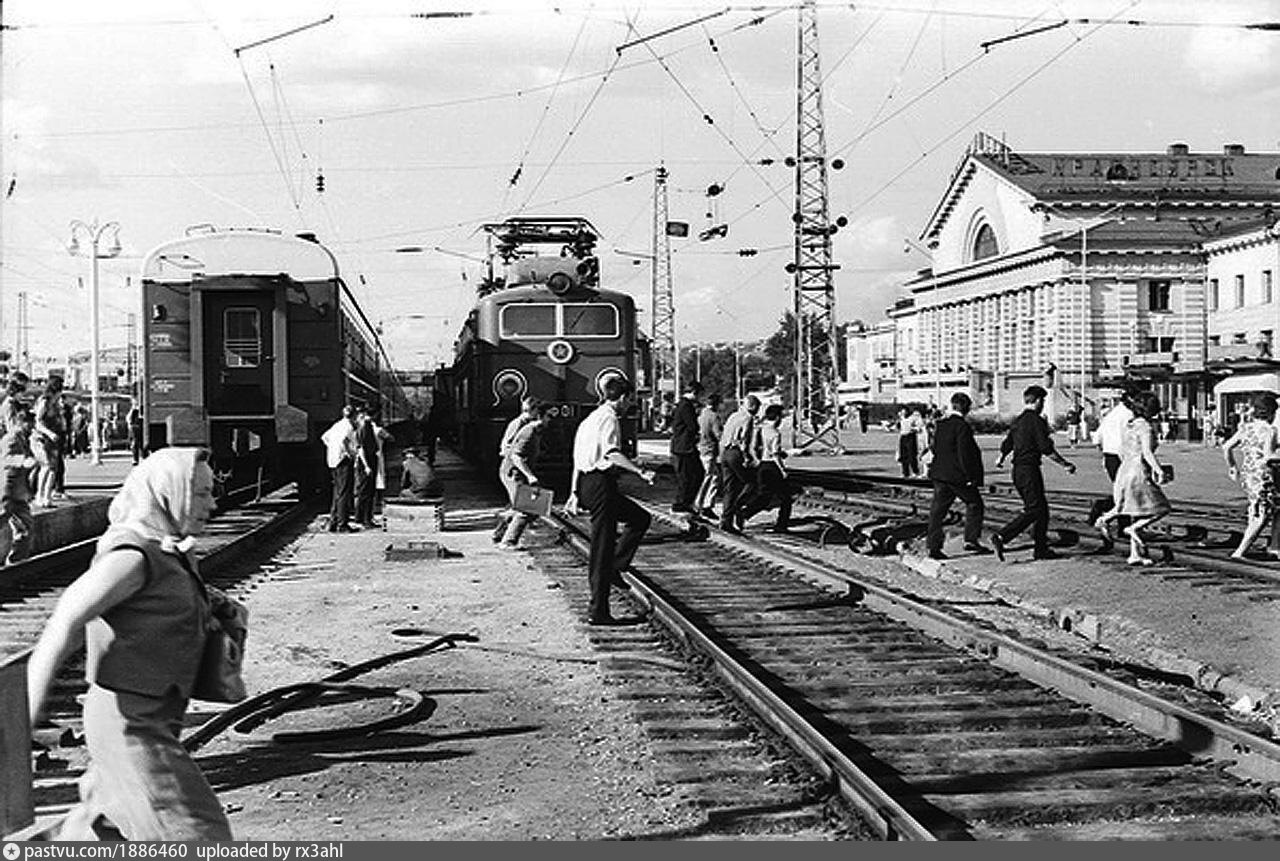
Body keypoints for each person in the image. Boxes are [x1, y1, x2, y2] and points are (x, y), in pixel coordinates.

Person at [25, 446, 232, 840]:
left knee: (98, 835)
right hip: (131, 728)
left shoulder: (168, 552)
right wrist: (24, 717)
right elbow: (65, 619)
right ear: (169, 492)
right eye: (202, 493)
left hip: (150, 719)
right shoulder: (133, 555)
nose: (213, 502)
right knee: (200, 834)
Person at [565, 376, 655, 626]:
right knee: (601, 549)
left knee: (639, 518)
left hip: (586, 483)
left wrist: (574, 493)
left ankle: (617, 566)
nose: (630, 405)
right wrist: (639, 471)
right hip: (600, 484)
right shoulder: (609, 418)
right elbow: (611, 453)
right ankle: (598, 611)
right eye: (630, 400)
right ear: (623, 397)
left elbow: (577, 460)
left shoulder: (589, 420)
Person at [991, 385, 1077, 561]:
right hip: (1029, 470)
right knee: (1034, 509)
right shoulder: (1036, 421)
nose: (1043, 404)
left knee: (1042, 511)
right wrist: (1065, 464)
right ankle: (1002, 536)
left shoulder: (1019, 420)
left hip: (1018, 472)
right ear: (1037, 401)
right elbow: (1046, 448)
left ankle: (1041, 549)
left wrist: (1000, 458)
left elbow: (1008, 443)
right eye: (1043, 400)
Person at [1094, 391, 1173, 566]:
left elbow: (1122, 450)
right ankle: (1129, 528)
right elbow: (1147, 452)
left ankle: (1134, 553)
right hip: (1139, 471)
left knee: (1134, 510)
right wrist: (1158, 470)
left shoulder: (1129, 425)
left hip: (1125, 469)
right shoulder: (1145, 427)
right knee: (1161, 508)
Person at [924, 392, 989, 560]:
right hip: (957, 476)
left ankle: (933, 547)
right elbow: (964, 454)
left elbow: (935, 448)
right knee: (975, 504)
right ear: (966, 408)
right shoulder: (962, 426)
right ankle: (971, 540)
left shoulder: (941, 424)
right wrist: (970, 476)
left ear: (952, 405)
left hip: (939, 474)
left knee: (937, 511)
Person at [1222, 392, 1280, 560]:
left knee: (1274, 509)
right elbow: (1269, 455)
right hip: (1265, 476)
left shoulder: (1245, 428)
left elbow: (1227, 447)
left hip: (1249, 475)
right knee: (1260, 515)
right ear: (1269, 413)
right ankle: (1239, 552)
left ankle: (1275, 547)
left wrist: (1232, 467)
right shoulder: (1270, 430)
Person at [493, 400, 549, 548]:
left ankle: (499, 533)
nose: (550, 420)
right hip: (513, 472)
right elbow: (513, 454)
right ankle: (508, 542)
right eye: (548, 417)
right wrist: (529, 475)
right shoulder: (525, 429)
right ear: (538, 415)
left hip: (516, 471)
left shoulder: (533, 430)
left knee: (523, 507)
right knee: (526, 508)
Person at [735, 403, 794, 532]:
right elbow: (775, 454)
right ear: (777, 418)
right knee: (786, 498)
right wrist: (783, 470)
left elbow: (754, 448)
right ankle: (781, 525)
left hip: (762, 466)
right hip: (773, 467)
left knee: (764, 497)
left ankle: (744, 513)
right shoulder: (775, 433)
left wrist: (757, 460)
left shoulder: (760, 429)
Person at [1090, 388, 1137, 545]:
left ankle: (1120, 522)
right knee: (1126, 493)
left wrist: (1104, 454)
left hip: (1110, 456)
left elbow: (1096, 438)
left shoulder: (1112, 413)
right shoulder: (1129, 416)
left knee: (1123, 492)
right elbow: (1128, 441)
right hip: (1122, 457)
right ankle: (1120, 524)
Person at [717, 395, 761, 535]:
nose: (757, 411)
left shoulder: (733, 416)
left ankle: (725, 521)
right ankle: (738, 507)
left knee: (729, 488)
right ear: (752, 406)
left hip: (725, 453)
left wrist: (721, 456)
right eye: (757, 408)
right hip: (736, 453)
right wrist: (748, 458)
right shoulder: (747, 418)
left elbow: (724, 437)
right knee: (751, 483)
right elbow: (745, 440)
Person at [0, 407, 38, 566]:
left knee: (26, 527)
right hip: (7, 489)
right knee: (2, 520)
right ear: (21, 423)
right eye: (30, 424)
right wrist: (22, 461)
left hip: (19, 491)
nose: (32, 428)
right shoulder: (11, 438)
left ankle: (16, 563)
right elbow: (5, 458)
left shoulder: (23, 438)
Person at [669, 379, 704, 514]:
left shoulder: (682, 405)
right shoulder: (686, 406)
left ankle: (686, 502)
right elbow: (692, 426)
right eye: (699, 394)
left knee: (692, 475)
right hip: (684, 447)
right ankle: (682, 503)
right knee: (690, 476)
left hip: (683, 446)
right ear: (695, 392)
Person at [321, 405, 358, 532]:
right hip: (343, 461)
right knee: (344, 493)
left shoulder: (337, 425)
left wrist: (333, 448)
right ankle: (343, 524)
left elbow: (325, 437)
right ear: (354, 416)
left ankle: (333, 522)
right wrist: (350, 453)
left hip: (332, 461)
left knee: (337, 492)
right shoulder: (348, 427)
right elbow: (344, 441)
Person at [32, 378, 67, 508]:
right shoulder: (44, 402)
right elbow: (38, 422)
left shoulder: (56, 404)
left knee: (53, 468)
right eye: (59, 390)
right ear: (54, 390)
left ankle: (47, 496)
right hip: (42, 438)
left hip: (54, 439)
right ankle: (39, 496)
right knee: (46, 466)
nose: (60, 394)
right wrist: (49, 433)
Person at [693, 392, 724, 519]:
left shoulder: (700, 414)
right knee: (708, 478)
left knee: (712, 477)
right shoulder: (714, 416)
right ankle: (702, 506)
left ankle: (704, 505)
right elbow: (718, 434)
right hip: (709, 450)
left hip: (699, 448)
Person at [352, 407, 380, 528]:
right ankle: (364, 519)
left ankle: (363, 518)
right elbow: (361, 448)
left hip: (367, 461)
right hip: (367, 462)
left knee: (366, 491)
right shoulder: (365, 427)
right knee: (366, 491)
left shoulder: (362, 426)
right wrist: (366, 465)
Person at [896, 407, 923, 477]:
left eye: (904, 412)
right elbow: (898, 427)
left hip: (910, 436)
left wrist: (913, 429)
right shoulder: (901, 418)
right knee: (903, 456)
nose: (903, 414)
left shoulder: (913, 418)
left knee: (911, 455)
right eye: (902, 413)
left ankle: (915, 471)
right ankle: (905, 473)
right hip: (903, 436)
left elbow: (919, 427)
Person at [127, 400, 145, 465]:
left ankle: (141, 457)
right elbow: (129, 420)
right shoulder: (134, 411)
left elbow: (129, 420)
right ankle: (137, 459)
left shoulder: (140, 409)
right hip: (136, 428)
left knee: (141, 443)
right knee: (136, 443)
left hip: (139, 427)